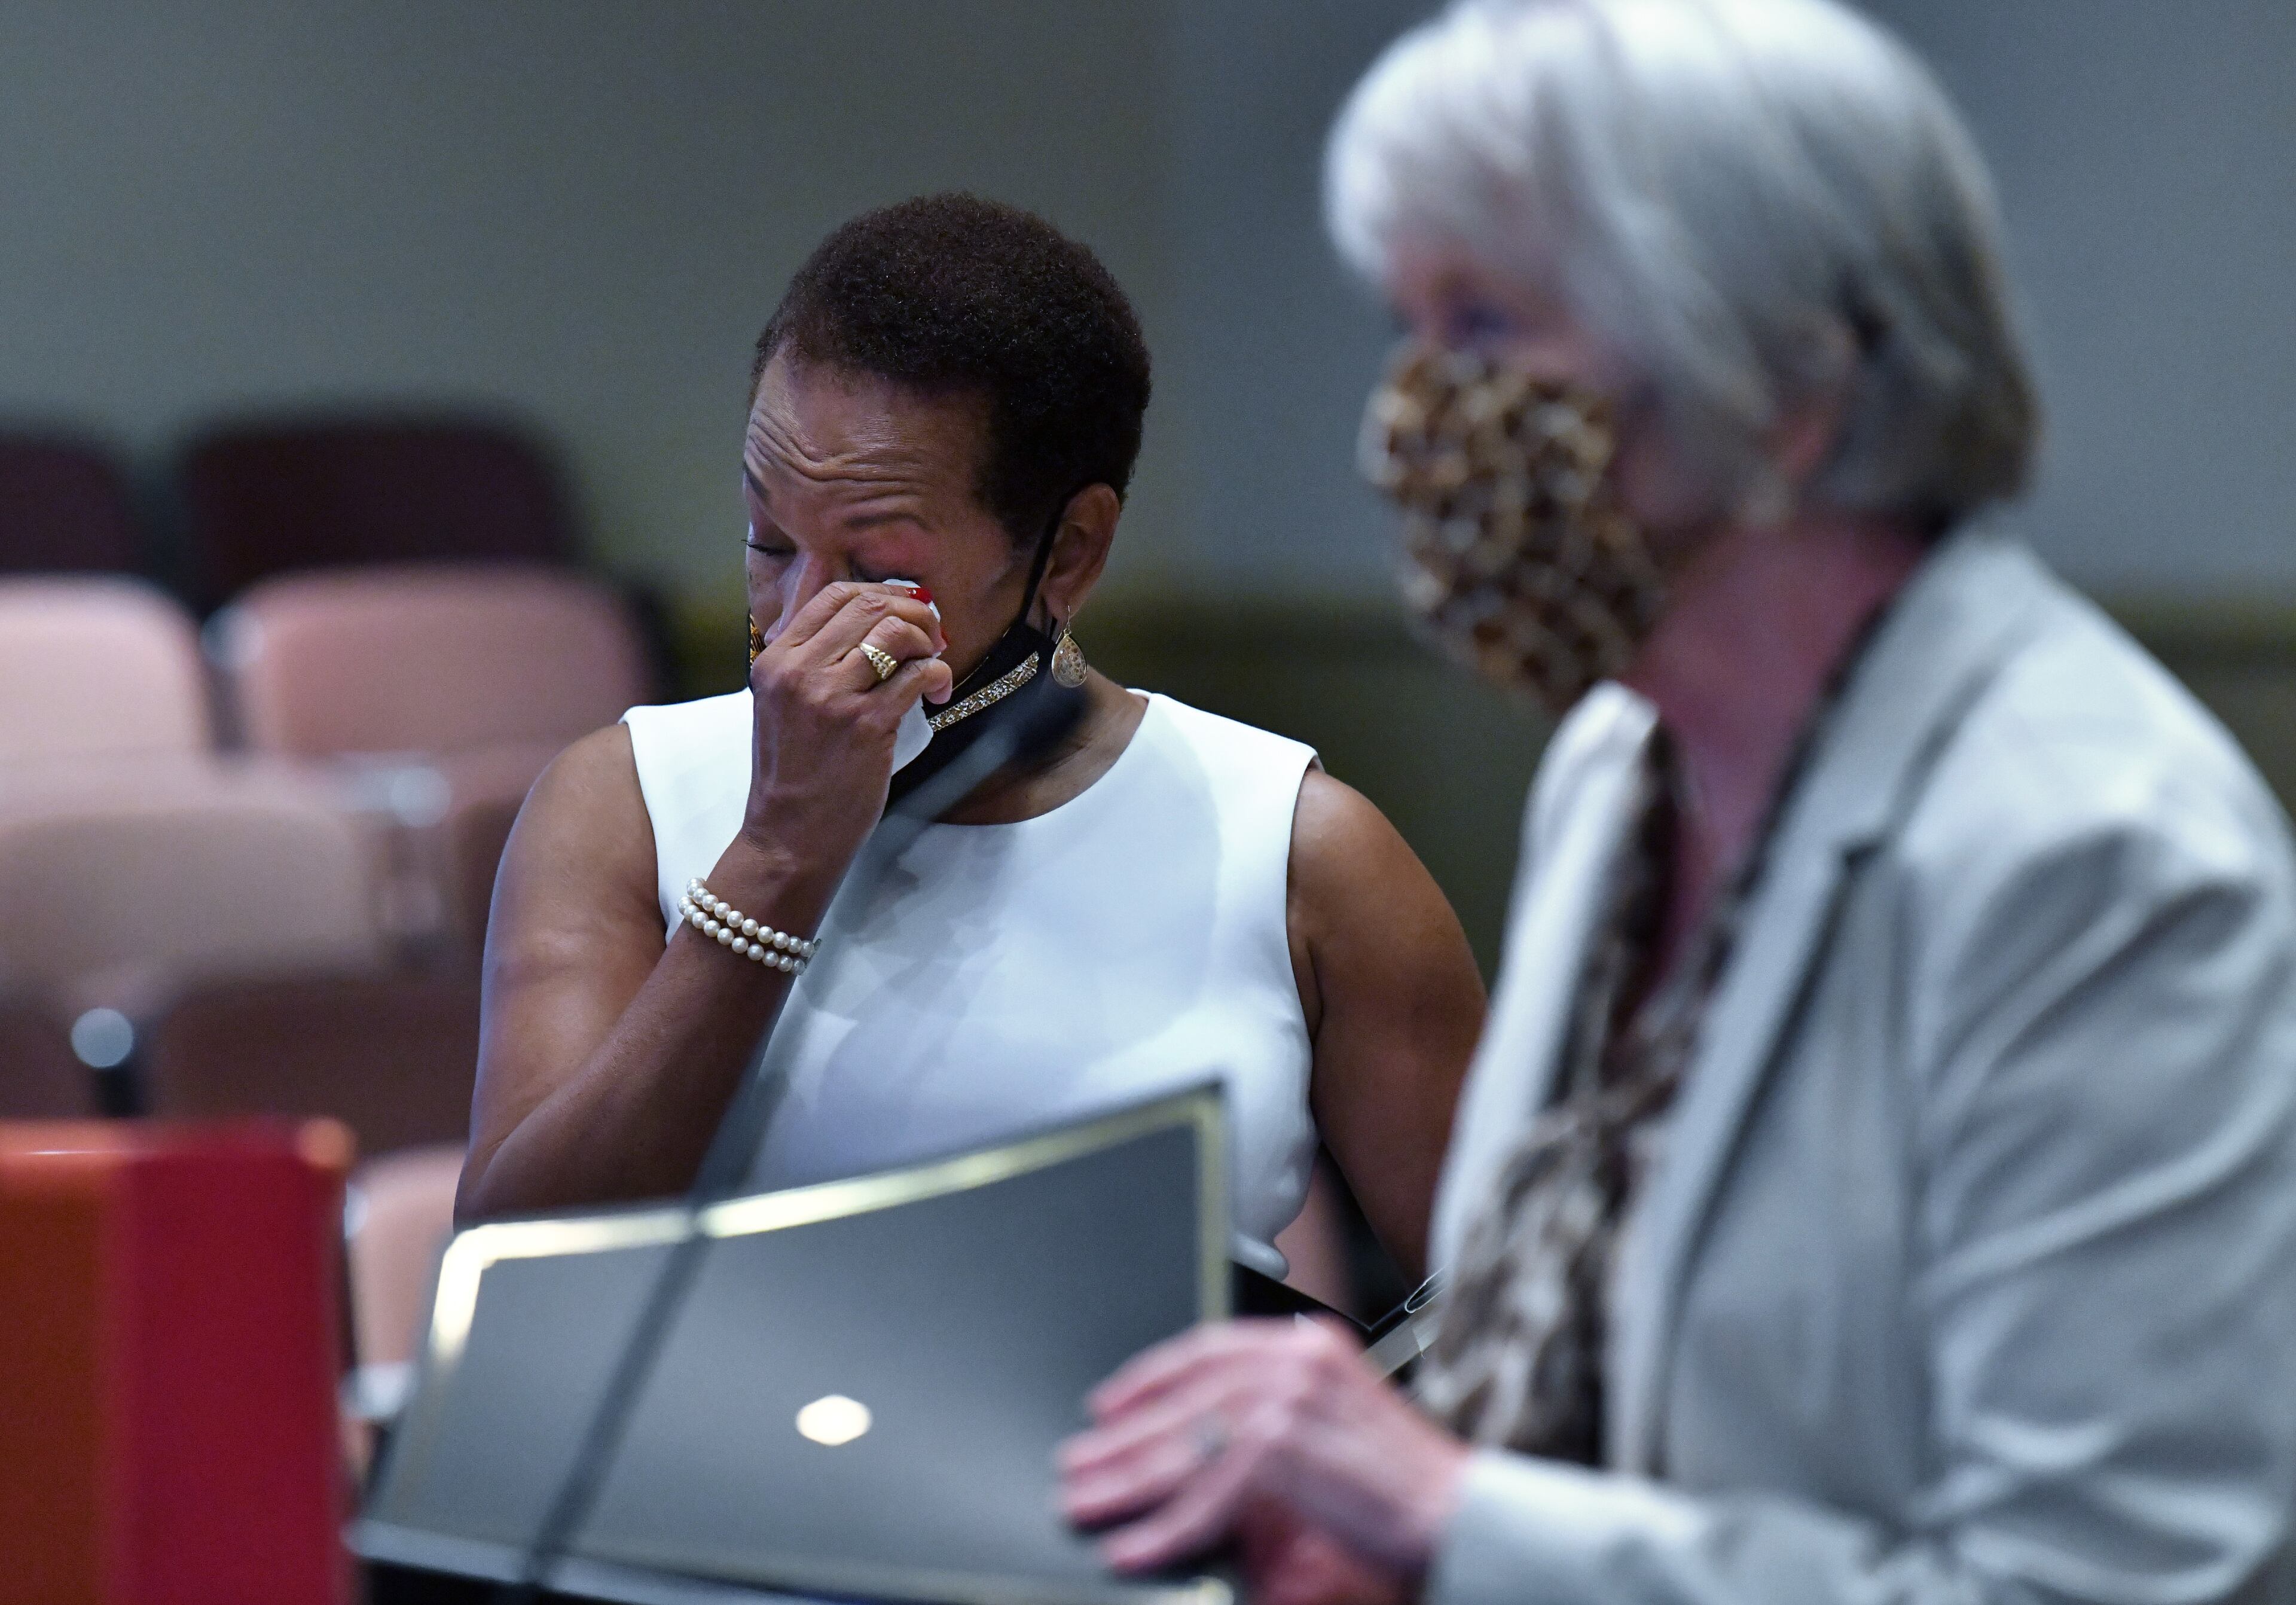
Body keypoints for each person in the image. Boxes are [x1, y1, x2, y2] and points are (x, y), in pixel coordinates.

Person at [1058, 2, 2296, 1601]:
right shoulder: (1622, 761)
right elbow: (1574, 1406)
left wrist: (1452, 1517)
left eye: (1486, 325)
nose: (1413, 414)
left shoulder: (2095, 856)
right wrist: (1379, 1526)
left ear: (1785, 380)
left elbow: (2104, 1583)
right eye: (1407, 326)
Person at [456, 194, 1485, 1290]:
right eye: (768, 541)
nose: (797, 625)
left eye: (876, 569)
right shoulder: (625, 804)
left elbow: (1517, 1314)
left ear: (1070, 552)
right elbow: (516, 1272)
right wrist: (779, 856)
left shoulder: (1299, 851)